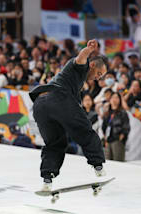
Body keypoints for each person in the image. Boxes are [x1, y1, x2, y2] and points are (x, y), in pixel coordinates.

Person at [29, 39, 108, 191]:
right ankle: (98, 165)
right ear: (92, 65)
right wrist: (89, 49)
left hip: (40, 105)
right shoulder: (81, 66)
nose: (98, 78)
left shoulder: (75, 79)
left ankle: (47, 178)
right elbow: (81, 57)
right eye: (99, 73)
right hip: (58, 98)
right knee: (85, 130)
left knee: (55, 143)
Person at [102, 92, 130, 162]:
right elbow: (104, 126)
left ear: (120, 100)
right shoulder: (107, 113)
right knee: (107, 161)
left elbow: (126, 127)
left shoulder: (123, 113)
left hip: (117, 140)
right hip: (108, 140)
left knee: (118, 161)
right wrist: (105, 137)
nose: (114, 100)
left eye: (117, 98)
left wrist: (121, 137)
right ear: (110, 100)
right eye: (113, 97)